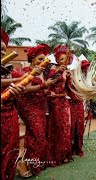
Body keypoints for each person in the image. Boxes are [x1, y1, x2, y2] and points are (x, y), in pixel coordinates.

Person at [13, 44, 56, 177]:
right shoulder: (27, 70)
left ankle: (31, 163)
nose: (42, 62)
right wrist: (44, 85)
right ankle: (22, 163)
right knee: (36, 135)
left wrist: (47, 92)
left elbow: (41, 89)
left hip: (40, 106)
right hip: (28, 107)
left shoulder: (42, 72)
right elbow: (24, 89)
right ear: (32, 59)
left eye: (44, 60)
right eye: (39, 59)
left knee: (36, 136)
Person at [1, 28, 25, 180]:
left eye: (4, 49)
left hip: (10, 116)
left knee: (11, 151)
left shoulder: (7, 70)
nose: (3, 53)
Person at [46, 44, 73, 166]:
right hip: (54, 101)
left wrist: (70, 79)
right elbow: (49, 81)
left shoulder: (67, 71)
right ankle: (56, 156)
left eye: (65, 59)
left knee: (66, 127)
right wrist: (58, 72)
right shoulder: (53, 67)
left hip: (64, 101)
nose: (63, 61)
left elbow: (68, 88)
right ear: (57, 59)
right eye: (61, 59)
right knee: (57, 127)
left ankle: (65, 154)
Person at [68, 60, 90, 157]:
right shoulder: (73, 77)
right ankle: (71, 149)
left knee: (80, 126)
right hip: (72, 104)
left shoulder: (86, 78)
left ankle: (78, 148)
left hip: (80, 104)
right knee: (72, 126)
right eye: (85, 68)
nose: (86, 70)